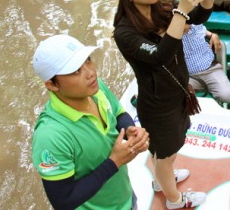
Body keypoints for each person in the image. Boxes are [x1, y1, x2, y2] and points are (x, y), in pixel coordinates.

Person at [112, 0, 214, 209]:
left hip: (178, 93)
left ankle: (161, 180)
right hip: (157, 105)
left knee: (168, 150)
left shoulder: (160, 4)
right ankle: (175, 201)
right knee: (165, 154)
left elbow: (197, 18)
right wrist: (180, 12)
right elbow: (160, 56)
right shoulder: (124, 32)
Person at [31, 34, 149, 210]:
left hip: (125, 198)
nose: (90, 72)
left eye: (87, 60)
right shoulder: (51, 135)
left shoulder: (95, 88)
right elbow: (63, 201)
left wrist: (129, 128)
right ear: (52, 85)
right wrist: (114, 162)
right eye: (75, 71)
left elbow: (118, 114)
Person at [182, 24, 230, 110]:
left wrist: (213, 35)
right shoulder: (170, 32)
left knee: (228, 95)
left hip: (211, 70)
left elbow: (204, 31)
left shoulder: (196, 25)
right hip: (188, 76)